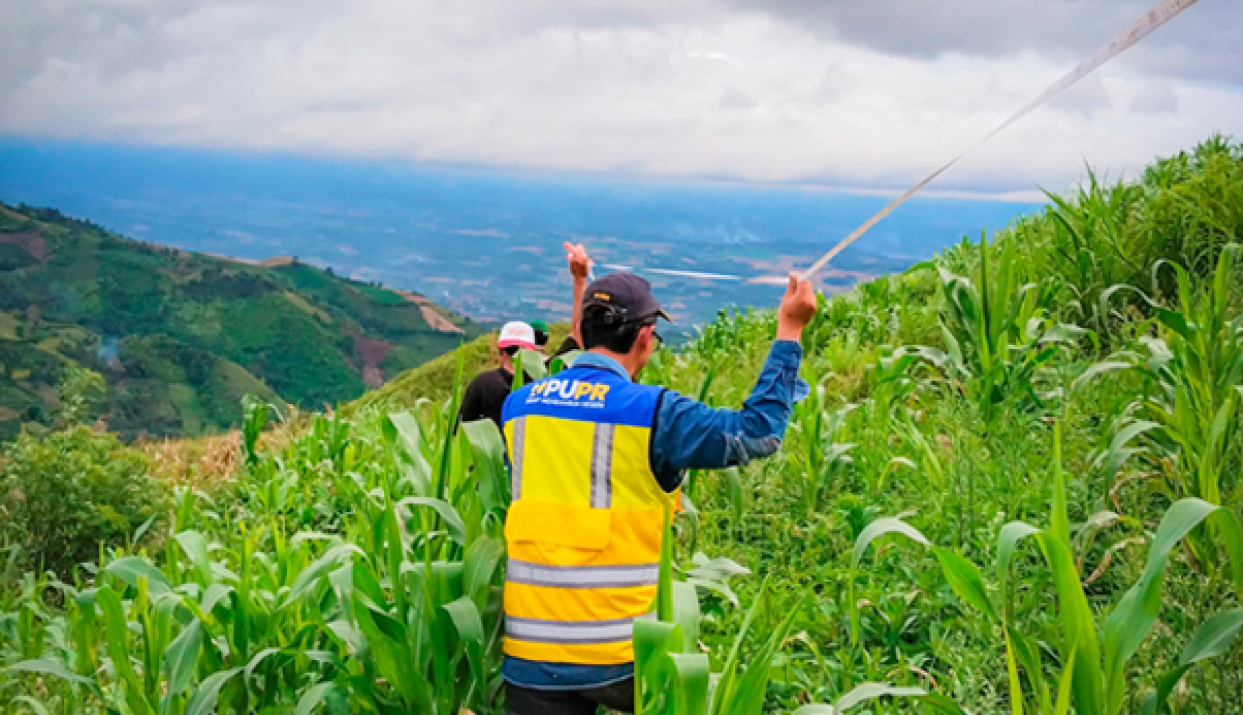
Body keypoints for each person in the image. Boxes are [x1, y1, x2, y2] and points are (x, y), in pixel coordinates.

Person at [499, 270, 818, 715]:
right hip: (622, 651)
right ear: (645, 338)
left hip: (530, 647)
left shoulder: (518, 407)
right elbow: (757, 433)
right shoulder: (655, 412)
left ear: (582, 332)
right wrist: (790, 330)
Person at [459, 321, 536, 434]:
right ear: (532, 354)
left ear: (501, 352)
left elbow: (462, 429)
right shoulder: (540, 387)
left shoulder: (481, 383)